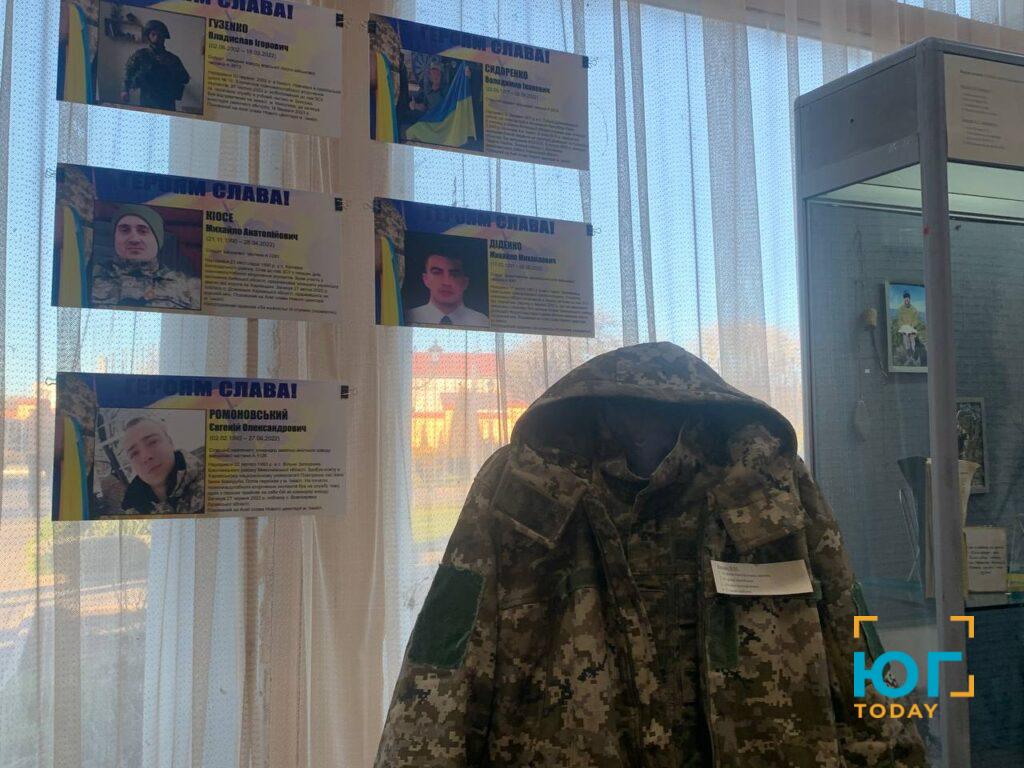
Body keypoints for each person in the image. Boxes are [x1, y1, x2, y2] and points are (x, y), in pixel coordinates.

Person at [91, 204, 201, 310]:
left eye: (143, 231)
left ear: (158, 240)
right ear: (114, 237)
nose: (134, 239)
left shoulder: (187, 288)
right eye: (124, 230)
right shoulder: (89, 278)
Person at [119, 416, 205, 515]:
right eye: (134, 453)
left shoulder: (211, 486)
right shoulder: (131, 513)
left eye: (152, 442)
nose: (146, 456)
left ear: (170, 442)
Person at [121, 19, 190, 111]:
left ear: (164, 37)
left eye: (160, 35)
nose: (157, 37)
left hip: (166, 101)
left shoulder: (172, 59)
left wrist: (170, 70)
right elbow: (128, 72)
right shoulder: (141, 55)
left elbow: (185, 78)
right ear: (148, 36)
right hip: (147, 99)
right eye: (153, 34)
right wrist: (125, 90)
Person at [407, 252, 488, 327]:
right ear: (425, 279)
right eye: (437, 273)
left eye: (454, 275)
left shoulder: (481, 322)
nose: (446, 282)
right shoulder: (410, 317)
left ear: (465, 282)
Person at [893, 290, 926, 362]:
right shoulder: (900, 309)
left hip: (912, 328)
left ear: (909, 299)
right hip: (904, 329)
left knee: (912, 341)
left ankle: (914, 355)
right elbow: (899, 320)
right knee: (906, 341)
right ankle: (908, 355)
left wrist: (911, 326)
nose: (906, 300)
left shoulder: (914, 310)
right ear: (904, 300)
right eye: (905, 299)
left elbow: (916, 320)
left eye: (907, 299)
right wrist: (903, 327)